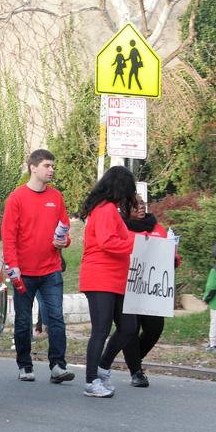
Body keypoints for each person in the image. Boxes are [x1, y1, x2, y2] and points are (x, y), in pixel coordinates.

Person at [0, 149, 73, 383]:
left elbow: (65, 230)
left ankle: (58, 366)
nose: (51, 170)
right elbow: (8, 236)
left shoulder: (56, 197)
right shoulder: (17, 198)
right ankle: (24, 364)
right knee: (23, 321)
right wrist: (13, 267)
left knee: (56, 317)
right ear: (33, 167)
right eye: (47, 166)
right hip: (24, 272)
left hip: (51, 269)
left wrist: (64, 240)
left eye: (53, 166)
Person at [78, 166, 138, 398]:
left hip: (115, 277)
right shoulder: (104, 210)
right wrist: (136, 244)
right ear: (121, 189)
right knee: (101, 330)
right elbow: (107, 242)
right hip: (100, 276)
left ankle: (102, 368)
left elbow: (119, 239)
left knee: (129, 327)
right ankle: (91, 380)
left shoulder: (109, 210)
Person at [120, 195, 180, 386]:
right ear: (125, 208)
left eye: (142, 205)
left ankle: (134, 359)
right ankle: (136, 372)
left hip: (152, 289)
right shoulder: (121, 227)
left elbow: (171, 255)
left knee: (155, 328)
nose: (141, 208)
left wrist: (173, 259)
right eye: (135, 205)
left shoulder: (157, 227)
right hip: (128, 286)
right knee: (131, 329)